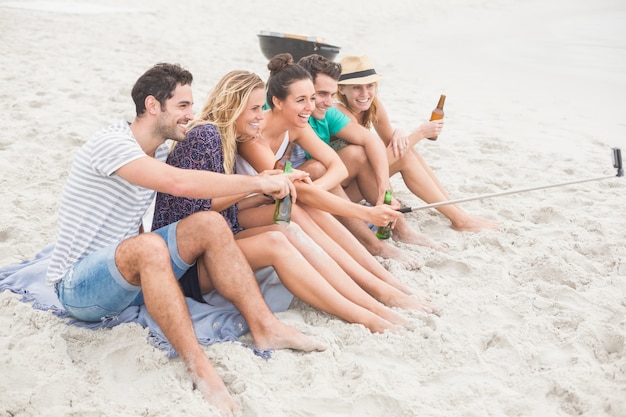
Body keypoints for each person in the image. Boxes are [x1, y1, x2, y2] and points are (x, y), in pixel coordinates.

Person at [45, 63, 326, 415]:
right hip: (79, 287)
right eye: (182, 106)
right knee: (149, 247)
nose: (191, 115)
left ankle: (265, 326)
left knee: (207, 222)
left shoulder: (159, 149)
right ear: (152, 105)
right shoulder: (112, 145)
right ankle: (200, 368)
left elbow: (193, 198)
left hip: (122, 274)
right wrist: (258, 182)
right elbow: (181, 184)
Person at [152, 69, 407, 332]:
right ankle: (369, 312)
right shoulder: (206, 137)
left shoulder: (225, 138)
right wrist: (260, 183)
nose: (259, 117)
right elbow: (197, 216)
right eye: (253, 109)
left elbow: (216, 208)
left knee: (288, 224)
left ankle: (376, 291)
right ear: (233, 106)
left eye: (259, 109)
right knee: (281, 233)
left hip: (214, 237)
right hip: (185, 262)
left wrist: (266, 187)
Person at [236, 54, 434, 310]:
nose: (312, 106)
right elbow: (291, 191)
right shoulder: (253, 138)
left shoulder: (296, 125)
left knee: (314, 209)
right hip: (244, 210)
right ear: (276, 101)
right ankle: (381, 290)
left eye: (311, 98)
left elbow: (336, 166)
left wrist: (312, 190)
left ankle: (390, 284)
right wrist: (365, 212)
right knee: (307, 210)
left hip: (276, 199)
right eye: (302, 100)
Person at [296, 54, 446, 260]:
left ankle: (423, 222)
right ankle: (377, 243)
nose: (328, 101)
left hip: (334, 183)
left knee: (398, 154)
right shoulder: (313, 112)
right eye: (322, 94)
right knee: (327, 164)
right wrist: (418, 134)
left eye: (370, 86)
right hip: (310, 186)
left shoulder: (329, 110)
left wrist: (384, 186)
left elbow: (375, 141)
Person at [334, 55, 499, 232]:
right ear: (341, 89)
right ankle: (459, 219)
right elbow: (371, 161)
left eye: (369, 86)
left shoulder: (372, 106)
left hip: (362, 181)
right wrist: (419, 133)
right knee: (405, 156)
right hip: (342, 193)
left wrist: (400, 133)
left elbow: (394, 145)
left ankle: (457, 211)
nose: (365, 93)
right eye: (357, 88)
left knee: (409, 153)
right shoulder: (338, 113)